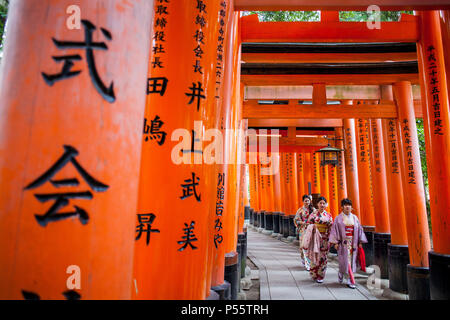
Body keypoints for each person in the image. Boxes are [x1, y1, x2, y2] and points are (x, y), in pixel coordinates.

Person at [329, 198, 368, 289]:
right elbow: (334, 230)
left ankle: (350, 279)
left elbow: (359, 230)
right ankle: (343, 273)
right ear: (342, 207)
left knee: (351, 261)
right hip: (343, 242)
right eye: (345, 205)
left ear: (351, 207)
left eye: (349, 205)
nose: (347, 207)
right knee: (345, 260)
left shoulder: (355, 218)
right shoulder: (338, 218)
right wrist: (335, 242)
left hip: (353, 242)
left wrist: (360, 242)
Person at [302, 196, 333, 283]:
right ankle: (314, 273)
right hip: (315, 237)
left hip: (325, 239)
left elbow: (331, 227)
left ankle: (321, 275)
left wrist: (331, 238)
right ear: (317, 204)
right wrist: (312, 227)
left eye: (324, 203)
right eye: (320, 203)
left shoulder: (328, 215)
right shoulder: (313, 215)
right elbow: (308, 225)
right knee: (315, 255)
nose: (322, 205)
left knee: (323, 257)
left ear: (326, 205)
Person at [294, 194, 314, 271]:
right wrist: (303, 223)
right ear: (303, 201)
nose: (307, 202)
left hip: (311, 229)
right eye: (305, 201)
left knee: (310, 246)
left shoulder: (313, 210)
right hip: (303, 230)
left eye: (308, 201)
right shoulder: (300, 210)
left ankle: (310, 262)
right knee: (304, 246)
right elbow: (296, 220)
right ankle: (306, 262)